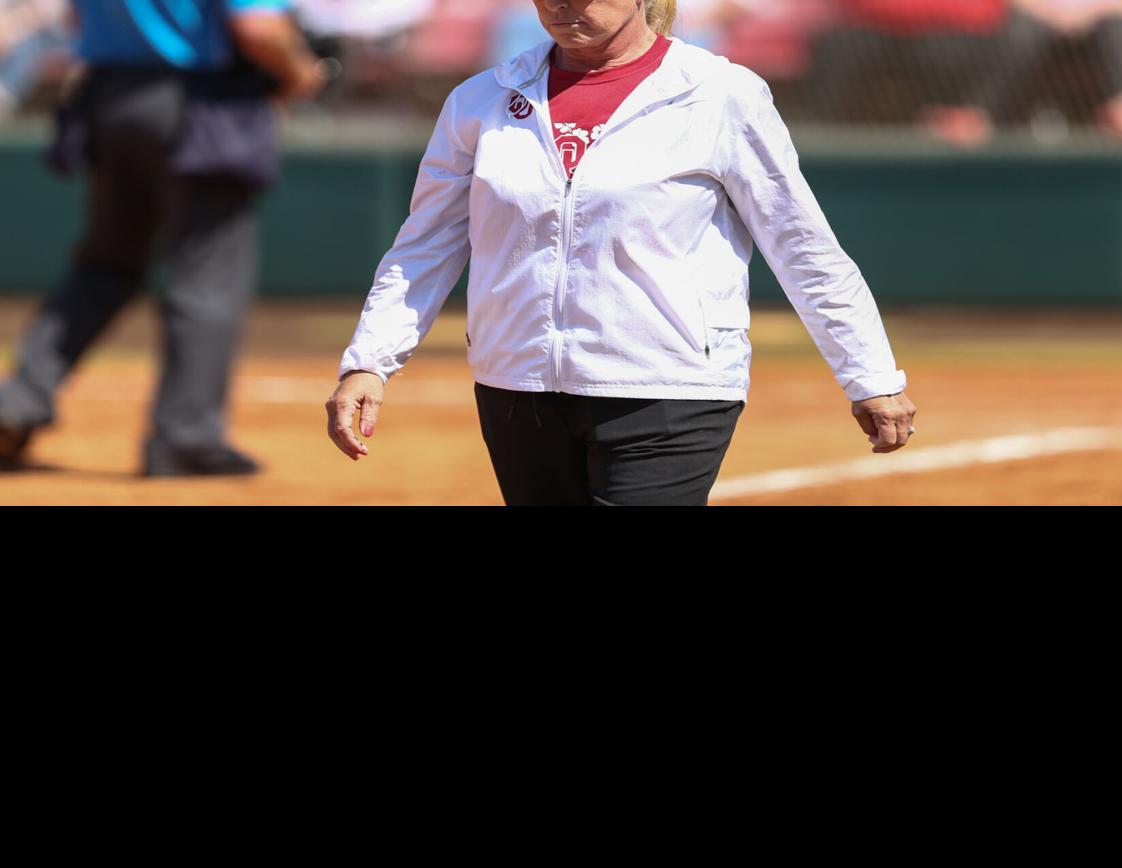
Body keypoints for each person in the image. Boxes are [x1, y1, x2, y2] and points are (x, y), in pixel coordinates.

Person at [326, 0, 917, 506]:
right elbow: (426, 242)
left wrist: (868, 373)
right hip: (516, 388)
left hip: (667, 389)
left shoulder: (721, 94)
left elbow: (802, 244)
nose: (563, 5)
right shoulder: (479, 101)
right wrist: (369, 360)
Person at [0, 0, 327, 474]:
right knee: (209, 273)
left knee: (105, 264)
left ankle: (17, 402)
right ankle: (185, 437)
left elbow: (74, 19)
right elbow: (258, 29)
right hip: (199, 101)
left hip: (109, 97)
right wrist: (301, 73)